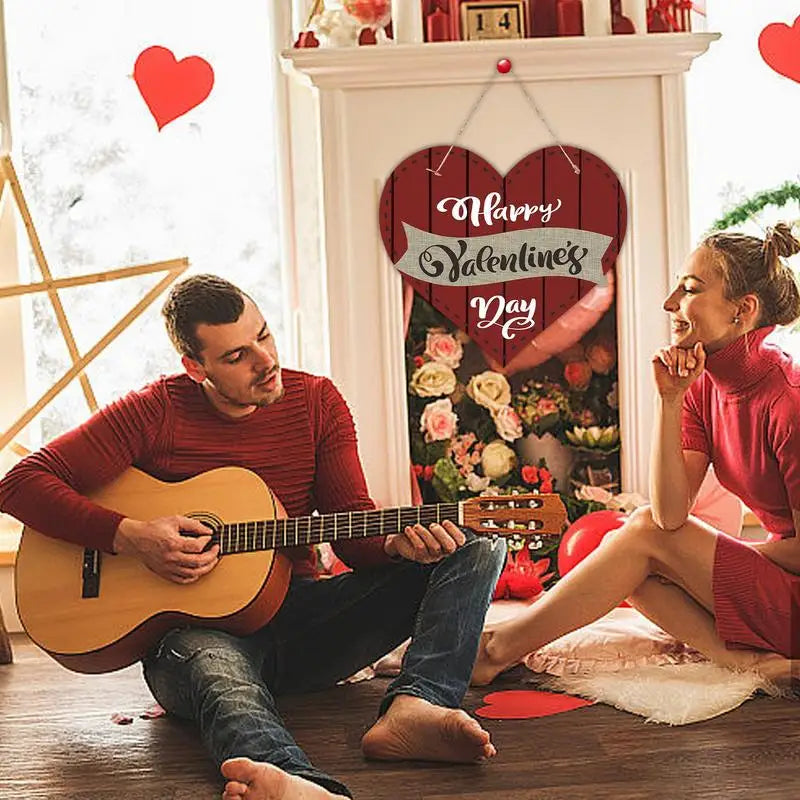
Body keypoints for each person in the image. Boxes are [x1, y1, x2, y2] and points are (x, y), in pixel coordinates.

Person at [0, 275, 507, 800]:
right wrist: (131, 536)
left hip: (307, 619)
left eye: (264, 336)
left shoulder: (316, 402)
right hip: (195, 637)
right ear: (196, 368)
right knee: (221, 676)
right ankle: (296, 784)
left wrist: (394, 545)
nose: (266, 361)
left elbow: (353, 533)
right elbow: (19, 484)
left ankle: (418, 706)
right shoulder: (155, 411)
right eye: (238, 354)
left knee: (479, 540)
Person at [472, 222, 800, 689]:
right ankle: (744, 663)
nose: (670, 304)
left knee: (642, 537)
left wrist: (723, 557)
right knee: (632, 557)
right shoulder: (701, 386)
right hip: (777, 588)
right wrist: (669, 401)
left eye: (689, 290)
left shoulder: (790, 400)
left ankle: (496, 650)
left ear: (743, 311)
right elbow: (670, 515)